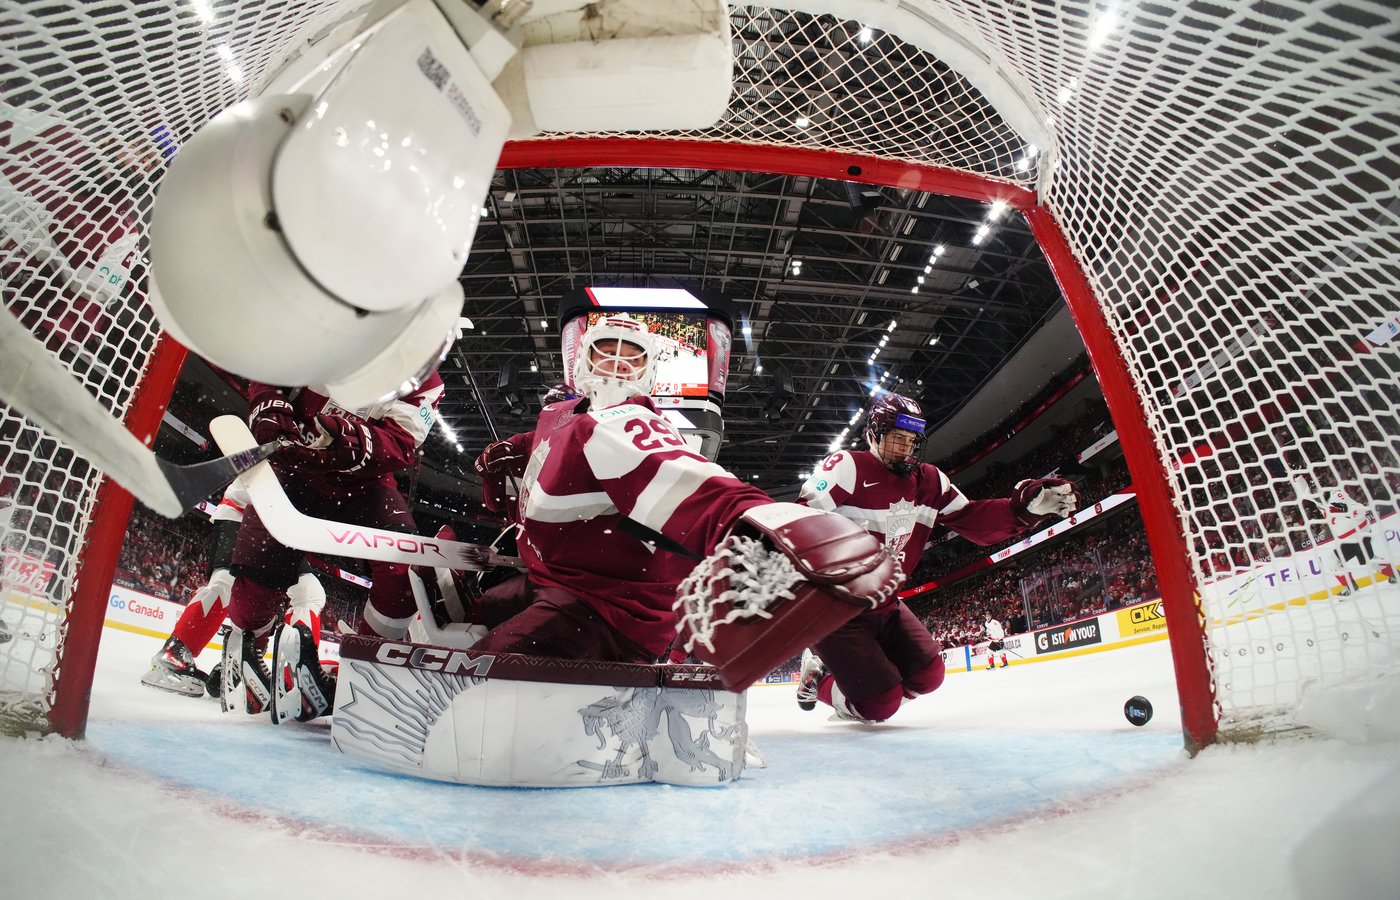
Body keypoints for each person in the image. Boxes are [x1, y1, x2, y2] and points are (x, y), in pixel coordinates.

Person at [469, 314, 898, 667]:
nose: (617, 365)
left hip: (605, 607)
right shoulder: (560, 413)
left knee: (474, 678)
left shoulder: (627, 423)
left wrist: (776, 527)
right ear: (582, 360)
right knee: (472, 613)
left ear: (647, 372)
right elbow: (547, 438)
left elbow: (698, 486)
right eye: (606, 351)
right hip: (550, 577)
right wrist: (506, 451)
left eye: (631, 358)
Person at [793, 392, 1079, 723]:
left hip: (886, 602)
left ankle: (865, 691)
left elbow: (973, 520)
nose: (905, 448)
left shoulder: (930, 481)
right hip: (835, 607)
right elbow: (799, 519)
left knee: (929, 676)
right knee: (879, 706)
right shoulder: (847, 467)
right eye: (895, 439)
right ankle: (822, 682)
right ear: (873, 436)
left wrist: (1022, 511)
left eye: (911, 441)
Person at [220, 372, 444, 720]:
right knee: (259, 570)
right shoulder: (326, 321)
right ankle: (244, 649)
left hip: (361, 484)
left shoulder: (426, 379)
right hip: (290, 468)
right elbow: (270, 366)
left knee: (406, 565)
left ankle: (365, 671)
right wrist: (271, 406)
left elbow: (401, 444)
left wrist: (347, 437)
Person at [141, 479, 325, 697]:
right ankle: (290, 678)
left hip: (275, 521)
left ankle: (285, 674)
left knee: (307, 592)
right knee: (227, 582)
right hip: (254, 511)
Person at [1294, 476, 1397, 595]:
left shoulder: (1337, 496)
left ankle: (1350, 586)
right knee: (1369, 560)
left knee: (1332, 562)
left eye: (1317, 490)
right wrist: (1298, 477)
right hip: (1357, 536)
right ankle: (1396, 574)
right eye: (1313, 491)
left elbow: (1362, 509)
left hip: (1355, 536)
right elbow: (1304, 492)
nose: (1315, 494)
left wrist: (1348, 510)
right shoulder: (1318, 499)